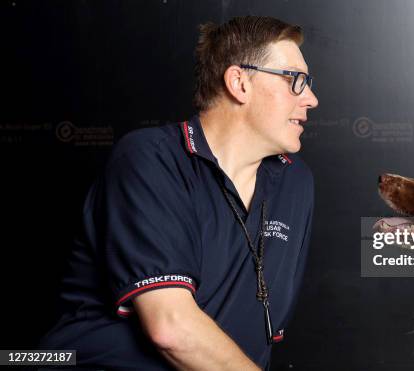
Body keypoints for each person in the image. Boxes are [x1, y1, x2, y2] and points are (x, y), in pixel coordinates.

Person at [39, 15, 319, 370]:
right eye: (295, 80)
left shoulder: (296, 183)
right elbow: (171, 328)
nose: (311, 98)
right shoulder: (150, 158)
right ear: (239, 83)